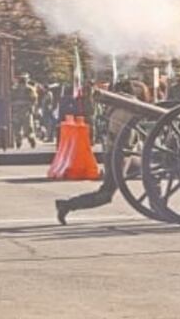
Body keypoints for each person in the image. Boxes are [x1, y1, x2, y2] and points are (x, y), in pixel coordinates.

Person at [55, 80, 148, 225]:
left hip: (122, 153)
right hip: (121, 154)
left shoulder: (118, 104)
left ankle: (160, 207)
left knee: (150, 173)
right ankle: (67, 205)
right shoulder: (130, 104)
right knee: (106, 194)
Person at [11, 73, 38, 149]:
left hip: (18, 110)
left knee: (17, 127)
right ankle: (30, 139)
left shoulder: (15, 89)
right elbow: (34, 100)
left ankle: (19, 141)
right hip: (25, 111)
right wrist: (32, 108)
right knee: (28, 128)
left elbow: (11, 99)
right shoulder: (30, 89)